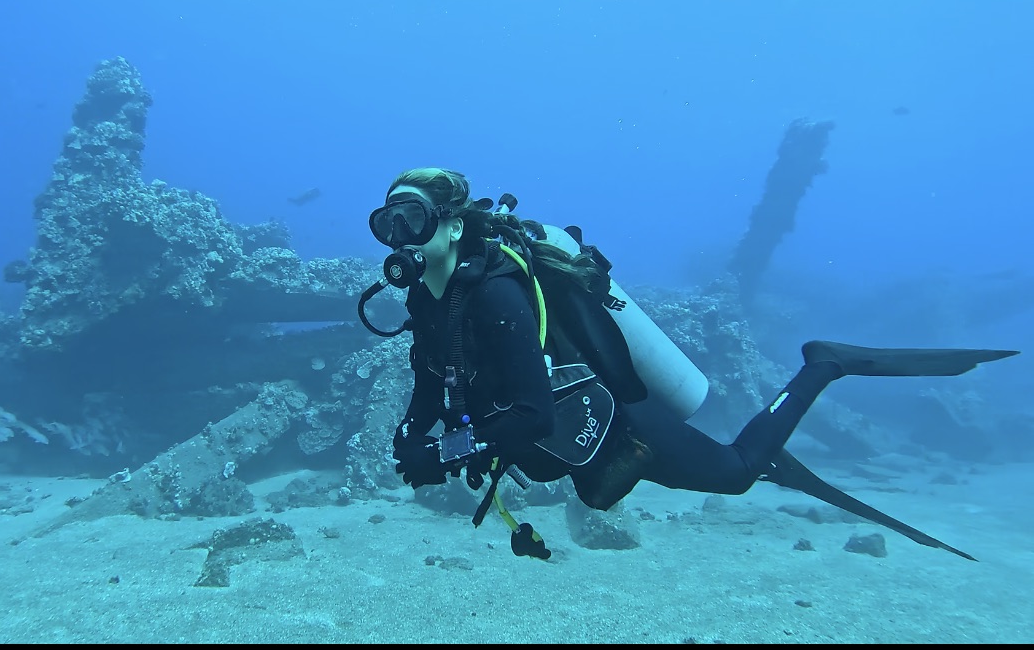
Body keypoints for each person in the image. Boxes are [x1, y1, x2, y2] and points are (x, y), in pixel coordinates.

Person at [362, 167, 1019, 560]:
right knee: (599, 489)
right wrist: (415, 433)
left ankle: (823, 365)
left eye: (412, 219)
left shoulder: (498, 295)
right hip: (576, 438)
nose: (399, 238)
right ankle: (744, 454)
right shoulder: (426, 296)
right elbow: (429, 375)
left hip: (616, 422)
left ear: (451, 226)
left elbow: (532, 413)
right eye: (386, 222)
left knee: (733, 474)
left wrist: (447, 453)